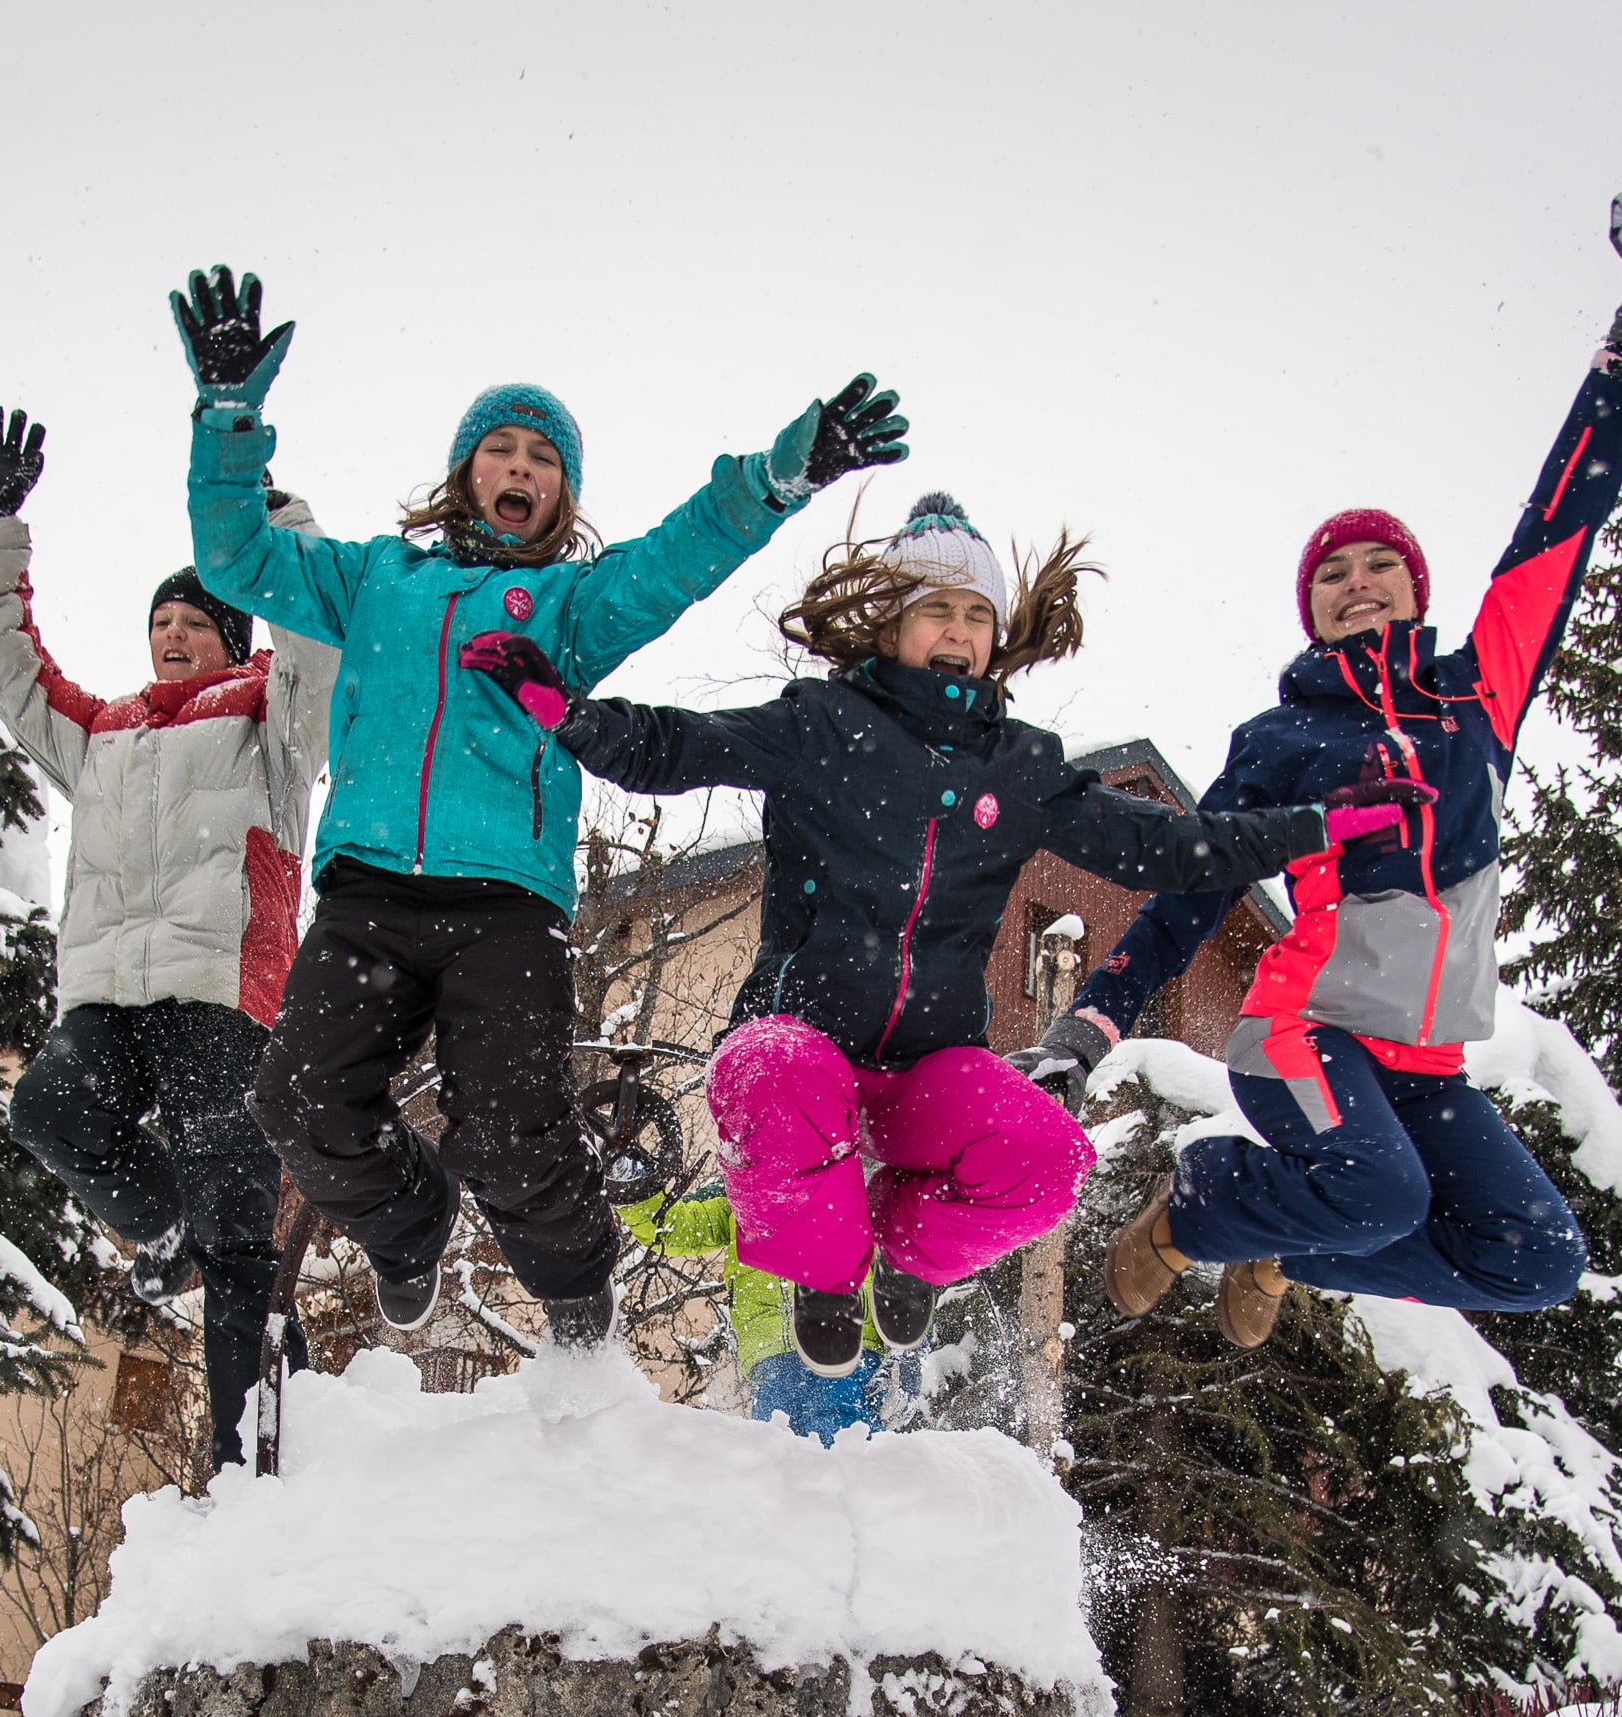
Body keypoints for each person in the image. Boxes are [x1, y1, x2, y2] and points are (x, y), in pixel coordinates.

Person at [172, 263, 908, 1352]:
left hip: (504, 907)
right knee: (298, 1107)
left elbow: (674, 561)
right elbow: (232, 557)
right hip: (368, 895)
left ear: (560, 499)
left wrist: (776, 475)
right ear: (464, 473)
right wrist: (229, 419)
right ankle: (409, 1221)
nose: (518, 470)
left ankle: (573, 1286)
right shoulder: (372, 579)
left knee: (513, 1136)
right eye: (500, 451)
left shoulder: (568, 606)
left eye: (542, 462)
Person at [459, 494, 1336, 1374]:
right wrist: (569, 714)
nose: (958, 630)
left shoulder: (1020, 768)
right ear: (892, 622)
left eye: (976, 613)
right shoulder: (821, 727)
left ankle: (911, 1256)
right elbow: (676, 748)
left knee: (1049, 1156)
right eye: (936, 609)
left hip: (926, 1073)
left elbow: (1167, 849)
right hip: (805, 1053)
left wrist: (1315, 826)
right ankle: (826, 1273)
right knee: (769, 1066)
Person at [1021, 192, 1622, 1345]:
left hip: (1419, 1061)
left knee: (1531, 1257)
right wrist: (1089, 1027)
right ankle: (1202, 1201)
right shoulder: (1280, 745)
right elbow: (1193, 894)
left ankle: (1276, 1237)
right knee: (1380, 1190)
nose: (1358, 581)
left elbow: (1555, 536)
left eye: (1381, 565)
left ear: (1417, 593)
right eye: (1333, 575)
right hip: (1303, 1032)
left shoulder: (1472, 699)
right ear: (1312, 609)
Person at [0, 400, 333, 1467]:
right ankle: (160, 1233)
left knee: (235, 1227)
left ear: (231, 635)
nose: (172, 633)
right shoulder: (100, 734)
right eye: (161, 621)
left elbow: (315, 648)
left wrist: (280, 529)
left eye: (196, 621)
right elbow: (12, 673)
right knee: (48, 1108)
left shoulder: (271, 718)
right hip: (108, 996)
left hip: (221, 993)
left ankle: (246, 1452)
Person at [618, 1191, 892, 1443]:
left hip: (846, 1348)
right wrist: (633, 1186)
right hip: (772, 1359)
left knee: (844, 1444)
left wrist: (910, 1348)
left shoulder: (849, 1190)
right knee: (777, 1454)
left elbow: (901, 1266)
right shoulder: (741, 1200)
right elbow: (672, 1228)